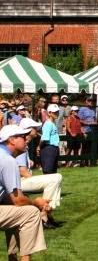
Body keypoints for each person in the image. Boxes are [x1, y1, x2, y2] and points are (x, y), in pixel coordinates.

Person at [0, 124, 48, 259]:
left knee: (16, 209)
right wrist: (36, 203)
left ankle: (13, 257)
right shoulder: (8, 160)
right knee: (31, 213)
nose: (26, 139)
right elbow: (19, 200)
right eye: (22, 136)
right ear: (11, 140)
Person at [14, 119, 61, 229]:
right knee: (55, 179)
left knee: (56, 178)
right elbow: (23, 171)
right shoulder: (22, 146)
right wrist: (35, 179)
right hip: (19, 182)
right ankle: (45, 213)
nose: (37, 131)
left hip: (20, 180)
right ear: (29, 130)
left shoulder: (24, 145)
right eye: (35, 128)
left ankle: (47, 213)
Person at [37, 107, 60, 175]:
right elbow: (44, 138)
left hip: (53, 148)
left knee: (53, 171)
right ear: (49, 113)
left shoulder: (52, 123)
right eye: (54, 112)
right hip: (49, 148)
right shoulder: (48, 124)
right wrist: (39, 146)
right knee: (48, 171)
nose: (57, 114)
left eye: (57, 112)